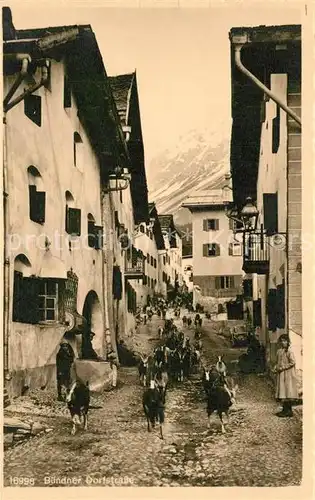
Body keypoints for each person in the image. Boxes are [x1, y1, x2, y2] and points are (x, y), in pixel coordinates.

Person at [273, 334, 298, 417]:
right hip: (281, 374)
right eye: (282, 341)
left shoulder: (289, 352)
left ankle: (288, 411)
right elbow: (278, 362)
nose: (283, 342)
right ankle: (285, 410)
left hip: (288, 375)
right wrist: (276, 367)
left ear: (288, 342)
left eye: (285, 341)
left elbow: (293, 362)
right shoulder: (279, 351)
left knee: (288, 391)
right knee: (283, 392)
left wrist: (283, 367)